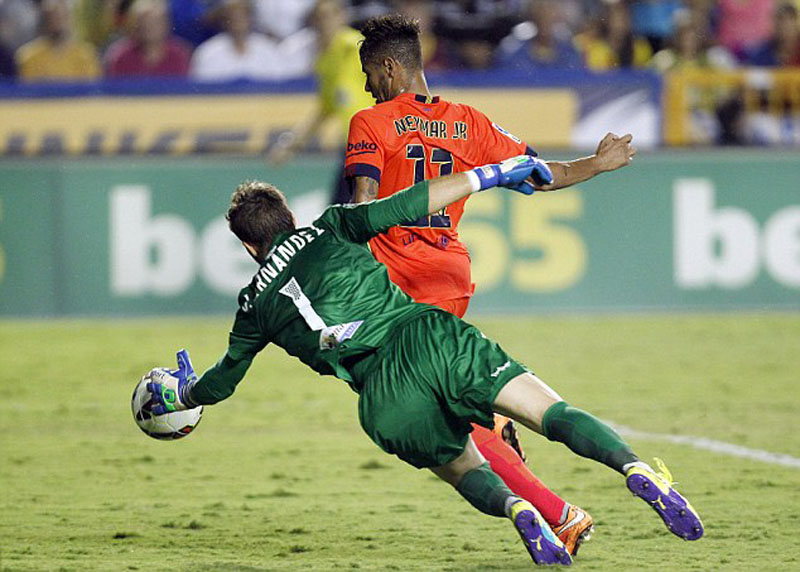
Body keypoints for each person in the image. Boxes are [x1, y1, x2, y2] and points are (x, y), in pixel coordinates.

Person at [144, 156, 704, 567]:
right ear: (289, 217)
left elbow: (221, 383)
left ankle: (519, 512)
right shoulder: (331, 226)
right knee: (548, 411)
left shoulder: (253, 306)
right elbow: (412, 202)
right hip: (429, 336)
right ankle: (636, 469)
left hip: (381, 395)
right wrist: (494, 173)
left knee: (465, 470)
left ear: (247, 248)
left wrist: (183, 394)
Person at [345, 13, 622, 555]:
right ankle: (497, 427)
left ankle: (553, 508)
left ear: (388, 66)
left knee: (425, 409)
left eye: (369, 74)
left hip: (394, 283)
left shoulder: (370, 123)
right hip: (449, 272)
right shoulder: (470, 121)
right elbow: (541, 173)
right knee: (437, 395)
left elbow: (363, 206)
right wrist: (599, 162)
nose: (366, 86)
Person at [266, 0, 374, 205]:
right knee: (342, 209)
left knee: (349, 209)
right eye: (320, 18)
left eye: (329, 15)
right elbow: (324, 109)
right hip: (355, 146)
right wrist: (291, 144)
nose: (325, 23)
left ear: (342, 16)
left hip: (375, 142)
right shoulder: (325, 62)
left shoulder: (357, 47)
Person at [15, 0, 101, 82]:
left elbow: (92, 90)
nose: (57, 23)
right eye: (52, 17)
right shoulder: (28, 56)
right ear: (45, 20)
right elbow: (27, 92)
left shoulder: (86, 54)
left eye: (61, 17)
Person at [105, 0, 192, 78]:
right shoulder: (120, 56)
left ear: (166, 24)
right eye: (143, 22)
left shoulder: (179, 55)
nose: (148, 27)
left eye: (155, 22)